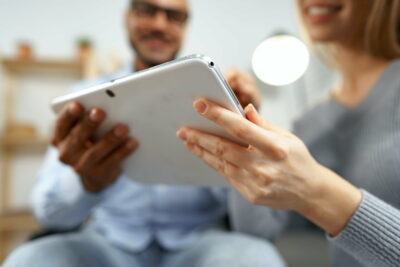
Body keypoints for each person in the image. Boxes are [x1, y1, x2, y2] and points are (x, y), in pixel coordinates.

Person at [4, 0, 284, 267]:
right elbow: (48, 215)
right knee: (29, 260)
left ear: (185, 27)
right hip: (107, 245)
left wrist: (246, 135)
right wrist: (84, 184)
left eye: (174, 16)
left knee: (259, 258)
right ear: (128, 17)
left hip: (203, 247)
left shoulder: (221, 101)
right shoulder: (84, 101)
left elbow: (260, 231)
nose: (160, 24)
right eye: (147, 10)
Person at [176, 0, 400, 266]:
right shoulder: (310, 122)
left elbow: (314, 193)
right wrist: (242, 130)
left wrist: (318, 192)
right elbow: (257, 233)